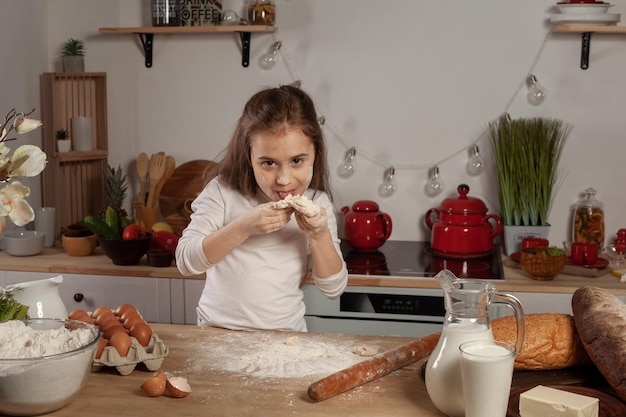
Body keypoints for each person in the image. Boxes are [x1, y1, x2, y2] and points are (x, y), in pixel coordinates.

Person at [175, 85, 348, 332]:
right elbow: (185, 261)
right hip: (217, 336)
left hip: (286, 338)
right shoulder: (222, 192)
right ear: (249, 156)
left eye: (297, 161)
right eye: (268, 163)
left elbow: (333, 288)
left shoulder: (317, 204)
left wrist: (319, 235)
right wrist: (243, 227)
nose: (284, 179)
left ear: (315, 154)